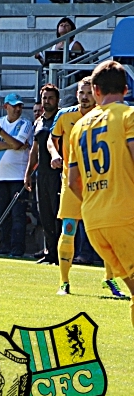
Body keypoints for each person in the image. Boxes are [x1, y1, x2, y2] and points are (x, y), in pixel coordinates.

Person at [67, 60, 134, 321]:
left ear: (95, 90)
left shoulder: (80, 126)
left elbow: (74, 182)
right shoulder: (128, 116)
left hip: (95, 220)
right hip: (126, 215)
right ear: (126, 89)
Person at [51, 76, 128, 299]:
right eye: (80, 93)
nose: (84, 97)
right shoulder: (65, 115)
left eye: (88, 93)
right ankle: (64, 282)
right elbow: (51, 139)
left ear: (96, 93)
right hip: (72, 181)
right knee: (68, 229)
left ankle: (110, 278)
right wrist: (55, 154)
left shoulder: (105, 117)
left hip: (98, 182)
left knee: (108, 231)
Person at [0, 93, 33, 257]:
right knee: (3, 213)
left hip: (18, 175)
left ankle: (17, 248)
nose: (17, 109)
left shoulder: (25, 123)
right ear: (6, 107)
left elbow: (18, 143)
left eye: (19, 106)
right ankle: (4, 246)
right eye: (14, 106)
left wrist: (0, 132)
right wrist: (12, 144)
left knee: (18, 214)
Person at [24, 84, 61, 264]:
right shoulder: (39, 121)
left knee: (57, 215)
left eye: (50, 98)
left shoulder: (60, 118)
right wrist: (28, 173)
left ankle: (61, 253)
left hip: (58, 173)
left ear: (57, 100)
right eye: (44, 98)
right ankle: (50, 252)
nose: (47, 101)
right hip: (42, 174)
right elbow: (34, 149)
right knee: (44, 214)